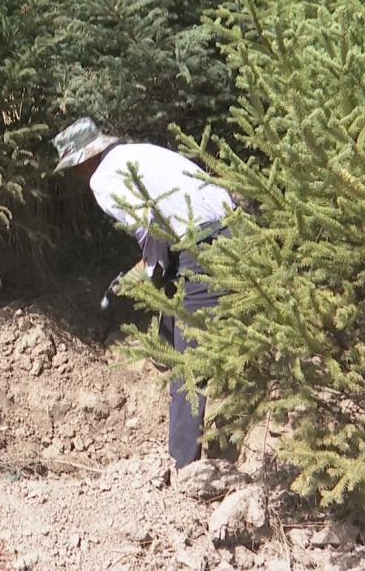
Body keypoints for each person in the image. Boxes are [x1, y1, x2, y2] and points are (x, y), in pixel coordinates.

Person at [52, 117, 235, 468]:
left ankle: (184, 466)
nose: (75, 175)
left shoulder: (102, 179)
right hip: (227, 230)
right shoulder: (138, 154)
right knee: (169, 334)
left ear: (84, 159)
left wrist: (148, 276)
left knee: (188, 366)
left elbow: (151, 229)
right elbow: (167, 215)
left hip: (204, 246)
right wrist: (147, 271)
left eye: (73, 167)